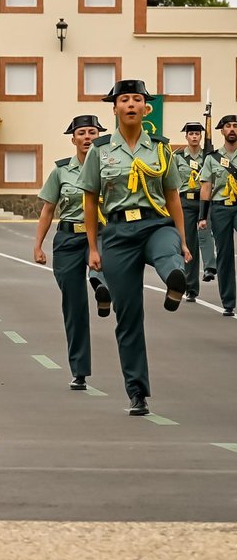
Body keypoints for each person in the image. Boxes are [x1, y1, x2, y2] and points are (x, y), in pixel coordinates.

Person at [78, 79, 190, 416]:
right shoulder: (99, 151)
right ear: (114, 109)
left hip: (155, 223)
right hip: (118, 231)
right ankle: (137, 391)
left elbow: (172, 196)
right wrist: (93, 248)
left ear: (146, 108)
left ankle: (175, 282)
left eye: (136, 99)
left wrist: (184, 240)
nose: (130, 104)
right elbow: (90, 200)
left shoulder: (160, 148)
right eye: (123, 99)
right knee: (128, 318)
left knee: (169, 252)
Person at [34, 115, 111, 390]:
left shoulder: (111, 168)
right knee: (74, 306)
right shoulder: (61, 171)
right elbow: (48, 210)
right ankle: (79, 371)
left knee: (100, 263)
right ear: (73, 139)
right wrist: (38, 245)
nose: (87, 137)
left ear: (99, 137)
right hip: (68, 238)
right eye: (82, 133)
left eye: (92, 132)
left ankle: (102, 286)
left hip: (101, 233)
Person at [198, 114, 237, 317]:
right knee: (225, 255)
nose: (232, 129)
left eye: (235, 126)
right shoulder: (212, 158)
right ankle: (228, 301)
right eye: (228, 126)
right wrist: (202, 217)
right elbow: (206, 187)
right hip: (220, 208)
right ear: (222, 131)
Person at [174, 122, 217, 302]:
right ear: (186, 136)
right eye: (191, 134)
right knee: (189, 244)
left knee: (205, 234)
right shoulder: (178, 157)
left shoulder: (208, 156)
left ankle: (209, 268)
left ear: (200, 137)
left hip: (204, 200)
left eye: (197, 134)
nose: (194, 137)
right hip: (185, 201)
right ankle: (191, 287)